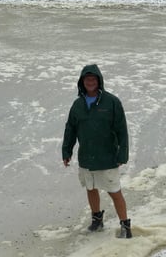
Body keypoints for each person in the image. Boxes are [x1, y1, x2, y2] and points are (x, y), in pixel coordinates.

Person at [62, 64, 132, 238]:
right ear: (82, 82)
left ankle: (125, 226)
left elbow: (122, 130)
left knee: (114, 191)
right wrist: (66, 151)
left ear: (99, 81)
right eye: (87, 79)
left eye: (93, 79)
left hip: (107, 157)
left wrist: (122, 153)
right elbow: (70, 128)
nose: (90, 82)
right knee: (91, 188)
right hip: (86, 157)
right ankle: (97, 220)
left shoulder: (112, 102)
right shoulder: (78, 104)